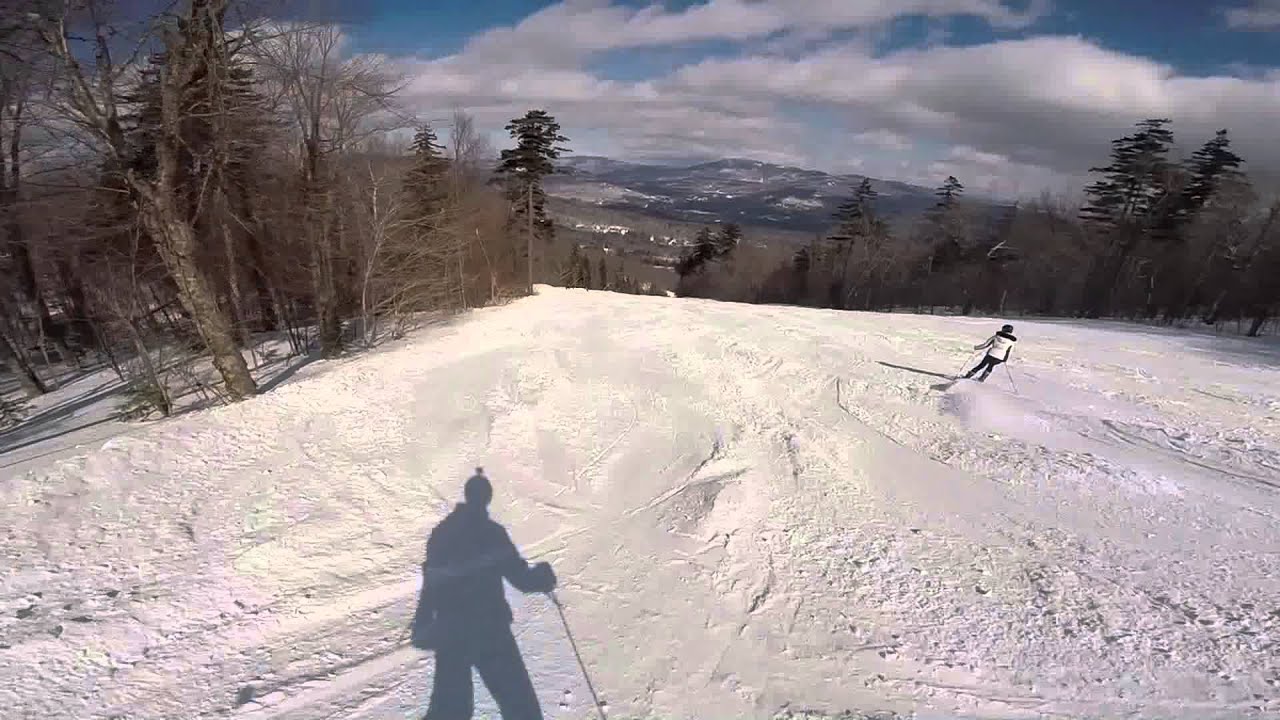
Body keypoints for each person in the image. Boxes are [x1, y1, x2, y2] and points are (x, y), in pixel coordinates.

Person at [410, 468, 557, 720]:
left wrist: (425, 621)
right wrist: (542, 578)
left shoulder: (441, 533)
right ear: (487, 498)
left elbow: (431, 583)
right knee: (521, 708)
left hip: (451, 631)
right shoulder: (492, 533)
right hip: (490, 629)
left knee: (450, 712)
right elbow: (520, 579)